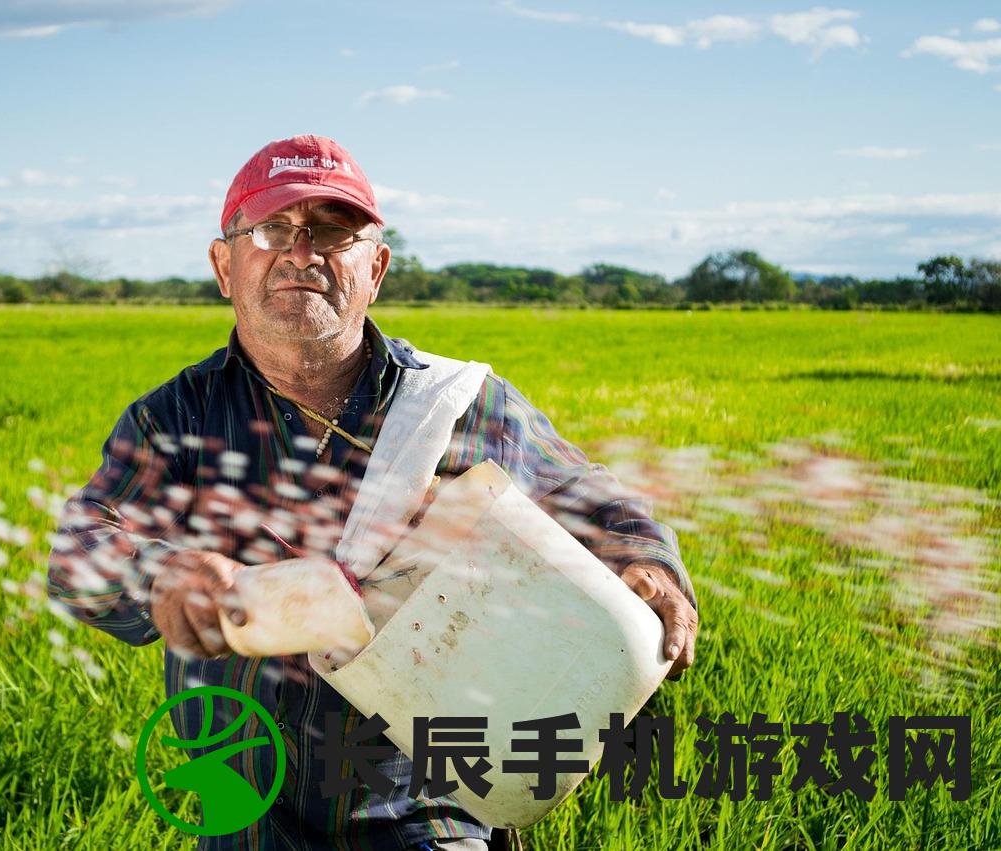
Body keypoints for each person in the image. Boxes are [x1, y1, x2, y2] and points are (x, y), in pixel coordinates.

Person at [47, 134, 699, 851]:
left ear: (375, 268)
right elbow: (78, 551)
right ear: (223, 265)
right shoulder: (176, 419)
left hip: (428, 807)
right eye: (270, 229)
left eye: (333, 231)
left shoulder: (454, 403)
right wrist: (158, 576)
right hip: (244, 812)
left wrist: (648, 560)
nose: (302, 252)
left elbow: (582, 489)